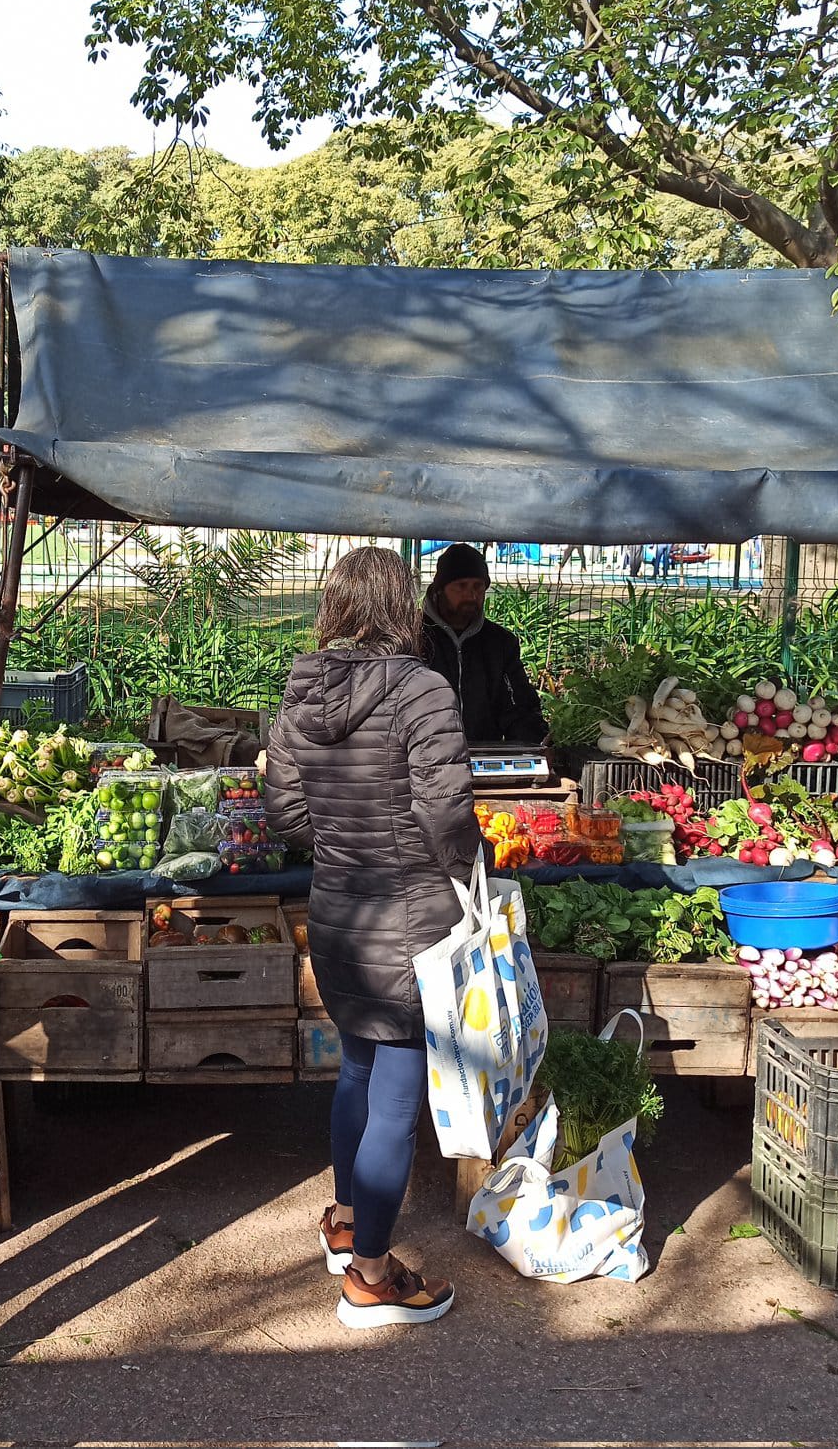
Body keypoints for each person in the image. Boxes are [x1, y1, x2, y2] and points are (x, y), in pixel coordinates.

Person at [264, 546, 477, 1328]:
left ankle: (347, 1219)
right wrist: (466, 870)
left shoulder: (300, 692)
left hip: (338, 912)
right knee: (395, 1097)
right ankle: (371, 1277)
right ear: (402, 607)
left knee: (356, 1069)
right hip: (411, 913)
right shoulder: (421, 689)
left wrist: (340, 845)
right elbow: (445, 807)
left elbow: (284, 814)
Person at [419, 542, 547, 744]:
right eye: (461, 586)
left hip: (484, 757)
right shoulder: (413, 637)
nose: (471, 596)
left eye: (478, 587)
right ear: (439, 589)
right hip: (424, 758)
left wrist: (532, 747)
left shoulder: (501, 643)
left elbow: (519, 706)